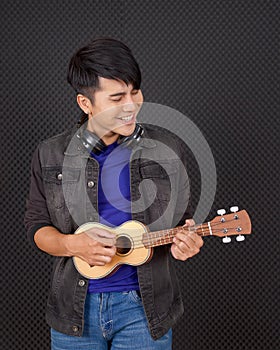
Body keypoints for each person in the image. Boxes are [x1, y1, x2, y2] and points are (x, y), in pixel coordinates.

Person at [25, 37, 203, 350]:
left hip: (145, 312)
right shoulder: (50, 154)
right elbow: (37, 226)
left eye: (135, 92)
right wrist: (72, 244)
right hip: (74, 313)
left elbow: (181, 221)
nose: (131, 105)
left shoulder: (168, 150)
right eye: (118, 97)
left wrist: (185, 243)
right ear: (85, 103)